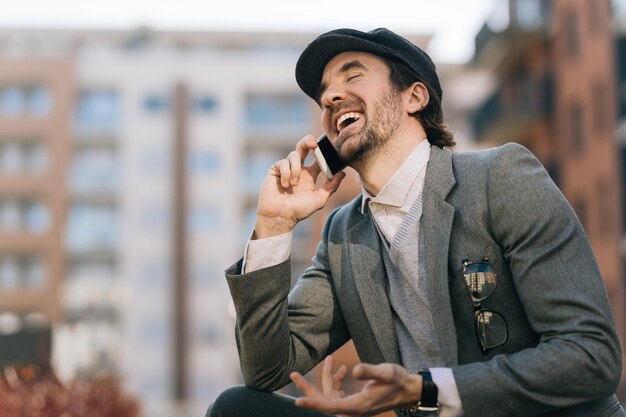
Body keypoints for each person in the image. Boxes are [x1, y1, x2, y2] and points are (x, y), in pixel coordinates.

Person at [207, 28, 624, 417]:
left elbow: (590, 355)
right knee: (238, 407)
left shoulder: (500, 178)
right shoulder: (342, 236)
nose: (332, 96)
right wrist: (274, 225)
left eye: (352, 76)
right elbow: (266, 370)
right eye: (324, 94)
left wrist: (428, 388)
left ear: (414, 97)